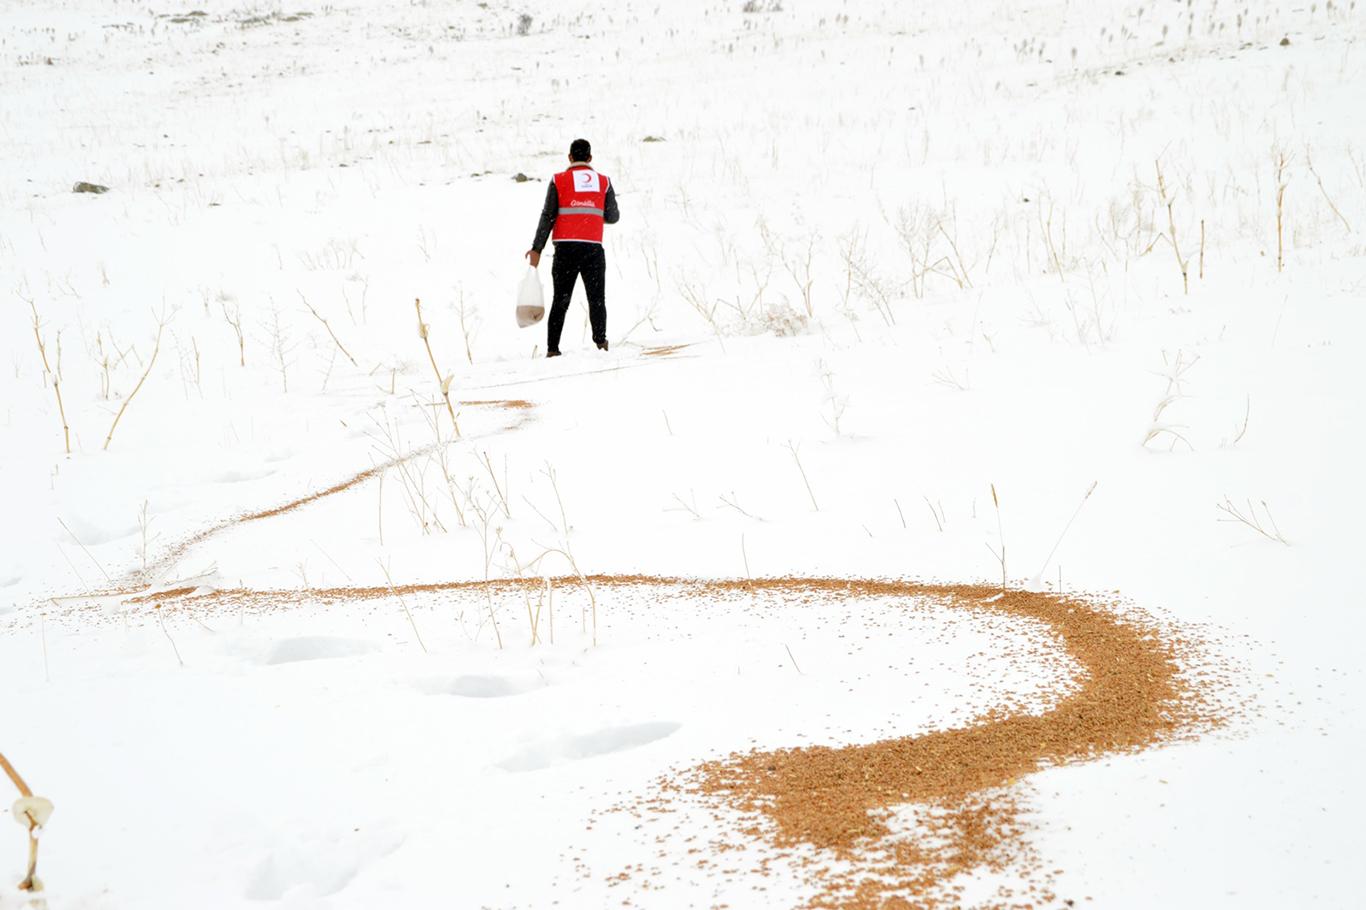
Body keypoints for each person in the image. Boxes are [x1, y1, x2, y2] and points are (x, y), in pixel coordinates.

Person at [524, 138, 620, 357]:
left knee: (561, 300)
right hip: (593, 249)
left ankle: (552, 349)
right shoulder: (604, 182)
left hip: (565, 250)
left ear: (569, 157)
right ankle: (601, 343)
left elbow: (548, 216)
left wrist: (537, 249)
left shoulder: (559, 180)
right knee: (596, 299)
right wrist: (592, 212)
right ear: (590, 158)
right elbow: (613, 216)